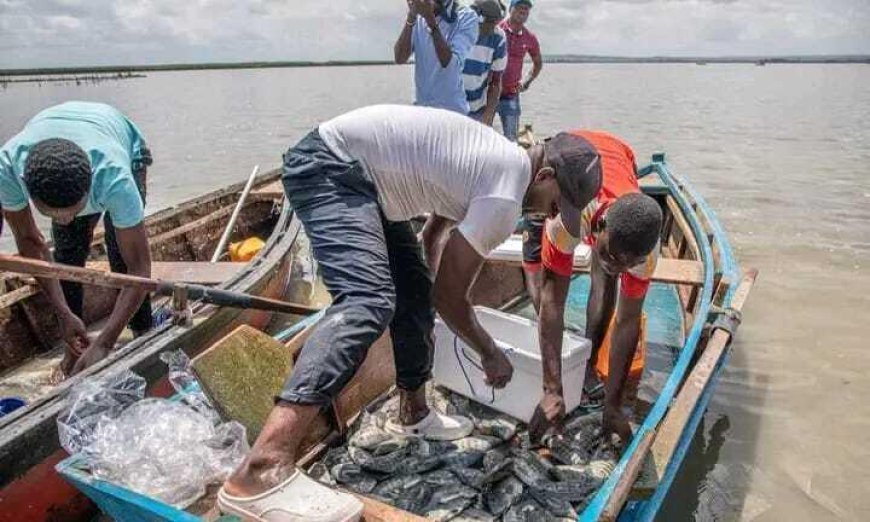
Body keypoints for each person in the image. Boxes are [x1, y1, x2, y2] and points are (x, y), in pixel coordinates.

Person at [217, 105, 602, 522]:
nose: (549, 217)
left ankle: (413, 412)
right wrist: (490, 352)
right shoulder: (505, 197)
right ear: (544, 177)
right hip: (332, 169)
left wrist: (425, 287)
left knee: (412, 289)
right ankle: (261, 468)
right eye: (556, 206)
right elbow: (451, 300)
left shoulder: (496, 159)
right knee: (369, 301)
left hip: (362, 179)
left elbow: (434, 232)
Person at [521, 131, 663, 445]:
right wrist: (552, 390)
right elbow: (553, 301)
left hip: (619, 155)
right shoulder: (568, 218)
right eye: (610, 255)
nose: (618, 265)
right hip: (573, 161)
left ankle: (587, 361)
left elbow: (626, 324)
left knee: (605, 281)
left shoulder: (645, 253)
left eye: (627, 264)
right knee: (539, 275)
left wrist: (613, 407)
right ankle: (554, 363)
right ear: (597, 229)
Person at [0, 102, 153, 377]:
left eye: (73, 212)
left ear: (91, 184)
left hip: (120, 139)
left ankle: (144, 332)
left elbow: (139, 271)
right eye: (53, 216)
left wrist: (105, 343)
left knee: (121, 255)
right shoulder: (7, 170)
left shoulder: (115, 179)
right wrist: (64, 314)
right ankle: (73, 347)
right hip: (54, 135)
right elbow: (30, 242)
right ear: (26, 185)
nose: (66, 220)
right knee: (67, 255)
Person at [394, 0, 479, 114]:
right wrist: (411, 17)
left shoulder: (467, 17)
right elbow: (400, 58)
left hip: (452, 112)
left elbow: (450, 65)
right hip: (422, 110)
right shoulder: (419, 18)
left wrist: (431, 21)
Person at [498, 0, 542, 140]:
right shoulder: (496, 29)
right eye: (520, 8)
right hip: (488, 92)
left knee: (511, 138)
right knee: (480, 133)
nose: (523, 11)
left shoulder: (530, 38)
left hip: (511, 94)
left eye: (526, 9)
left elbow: (538, 63)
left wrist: (526, 82)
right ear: (511, 9)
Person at [463, 0, 508, 125]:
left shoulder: (498, 37)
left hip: (477, 110)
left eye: (496, 23)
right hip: (450, 107)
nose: (493, 27)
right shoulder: (459, 29)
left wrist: (488, 115)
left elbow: (496, 82)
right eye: (490, 22)